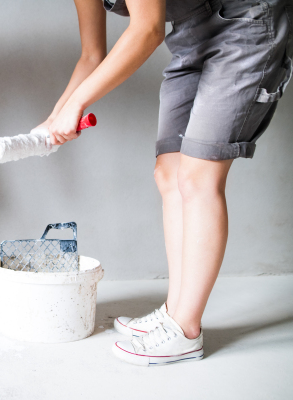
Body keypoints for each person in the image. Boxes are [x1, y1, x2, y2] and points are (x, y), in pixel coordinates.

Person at [37, 0, 291, 366]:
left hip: (246, 24)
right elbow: (91, 56)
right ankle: (174, 311)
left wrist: (76, 105)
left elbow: (147, 30)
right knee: (168, 173)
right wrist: (54, 118)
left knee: (197, 176)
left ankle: (186, 330)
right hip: (191, 31)